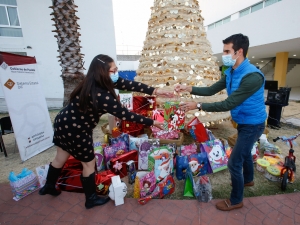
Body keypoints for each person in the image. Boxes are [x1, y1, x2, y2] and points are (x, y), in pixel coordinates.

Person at [39, 54, 173, 209]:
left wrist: (156, 91)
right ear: (103, 72)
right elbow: (126, 115)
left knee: (60, 157)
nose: (117, 73)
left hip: (63, 121)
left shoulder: (93, 81)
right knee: (89, 164)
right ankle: (91, 199)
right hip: (77, 129)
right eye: (114, 70)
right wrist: (153, 122)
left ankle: (48, 186)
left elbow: (130, 84)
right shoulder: (101, 95)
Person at [174, 34, 266, 211]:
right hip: (243, 121)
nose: (223, 54)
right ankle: (248, 180)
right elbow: (211, 89)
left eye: (226, 51)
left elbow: (228, 103)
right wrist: (188, 88)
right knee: (244, 152)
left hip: (253, 123)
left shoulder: (253, 77)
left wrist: (197, 105)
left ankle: (236, 200)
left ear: (239, 52)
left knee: (234, 162)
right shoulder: (231, 72)